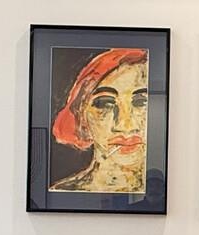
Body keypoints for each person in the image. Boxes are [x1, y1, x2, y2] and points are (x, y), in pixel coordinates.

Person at [51, 48, 149, 193]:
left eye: (141, 102)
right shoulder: (62, 191)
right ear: (81, 116)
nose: (125, 125)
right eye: (105, 104)